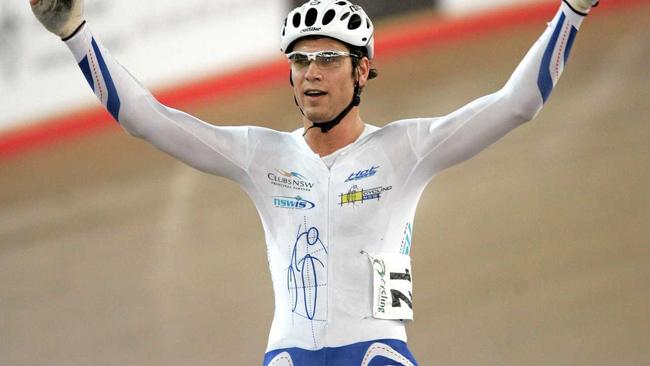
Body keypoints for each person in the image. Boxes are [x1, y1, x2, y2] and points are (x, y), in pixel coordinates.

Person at [30, 0, 600, 364]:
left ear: (362, 70)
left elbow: (518, 103)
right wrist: (75, 33)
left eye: (328, 59)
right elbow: (146, 118)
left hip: (377, 351)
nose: (311, 75)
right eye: (300, 63)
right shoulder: (261, 155)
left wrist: (572, 9)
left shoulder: (407, 148)